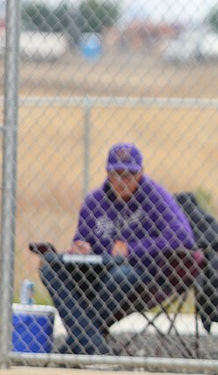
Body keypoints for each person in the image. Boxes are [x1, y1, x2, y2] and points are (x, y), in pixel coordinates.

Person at [40, 143, 196, 355]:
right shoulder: (94, 201)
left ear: (141, 173)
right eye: (117, 174)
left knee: (120, 275)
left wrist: (132, 249)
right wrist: (80, 247)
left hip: (141, 272)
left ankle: (76, 347)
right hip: (96, 271)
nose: (122, 182)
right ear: (107, 173)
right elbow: (82, 238)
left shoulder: (156, 197)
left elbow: (183, 237)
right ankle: (95, 349)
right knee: (49, 268)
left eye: (129, 175)